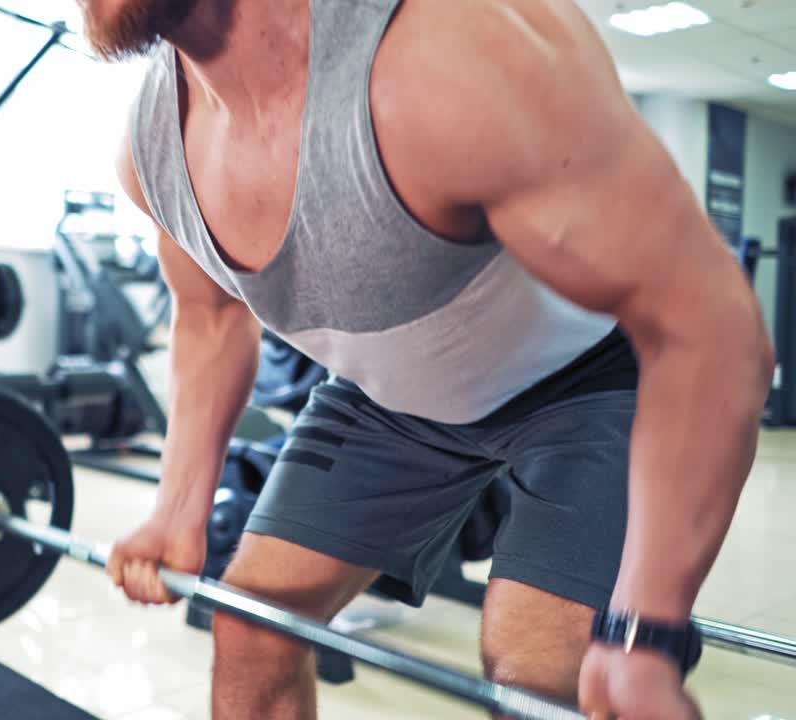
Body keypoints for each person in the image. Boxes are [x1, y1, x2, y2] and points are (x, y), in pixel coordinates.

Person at [85, 0, 774, 717]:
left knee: (535, 675)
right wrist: (177, 512)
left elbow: (709, 323)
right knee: (252, 622)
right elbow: (209, 318)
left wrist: (645, 632)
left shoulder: (442, 48)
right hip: (388, 399)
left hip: (593, 381)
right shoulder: (153, 145)